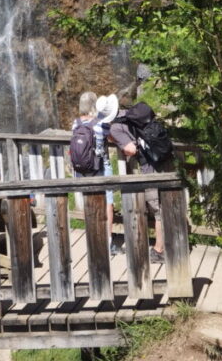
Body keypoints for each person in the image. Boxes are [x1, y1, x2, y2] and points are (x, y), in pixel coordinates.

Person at [109, 101, 172, 264]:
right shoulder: (128, 114)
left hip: (149, 165)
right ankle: (165, 245)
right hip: (162, 159)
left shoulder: (115, 127)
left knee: (157, 208)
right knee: (162, 205)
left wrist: (121, 146)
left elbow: (131, 149)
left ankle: (160, 250)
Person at [71, 92, 119, 255]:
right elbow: (112, 138)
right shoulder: (101, 124)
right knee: (108, 202)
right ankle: (108, 240)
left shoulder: (75, 124)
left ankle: (93, 237)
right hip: (100, 167)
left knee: (90, 201)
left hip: (82, 170)